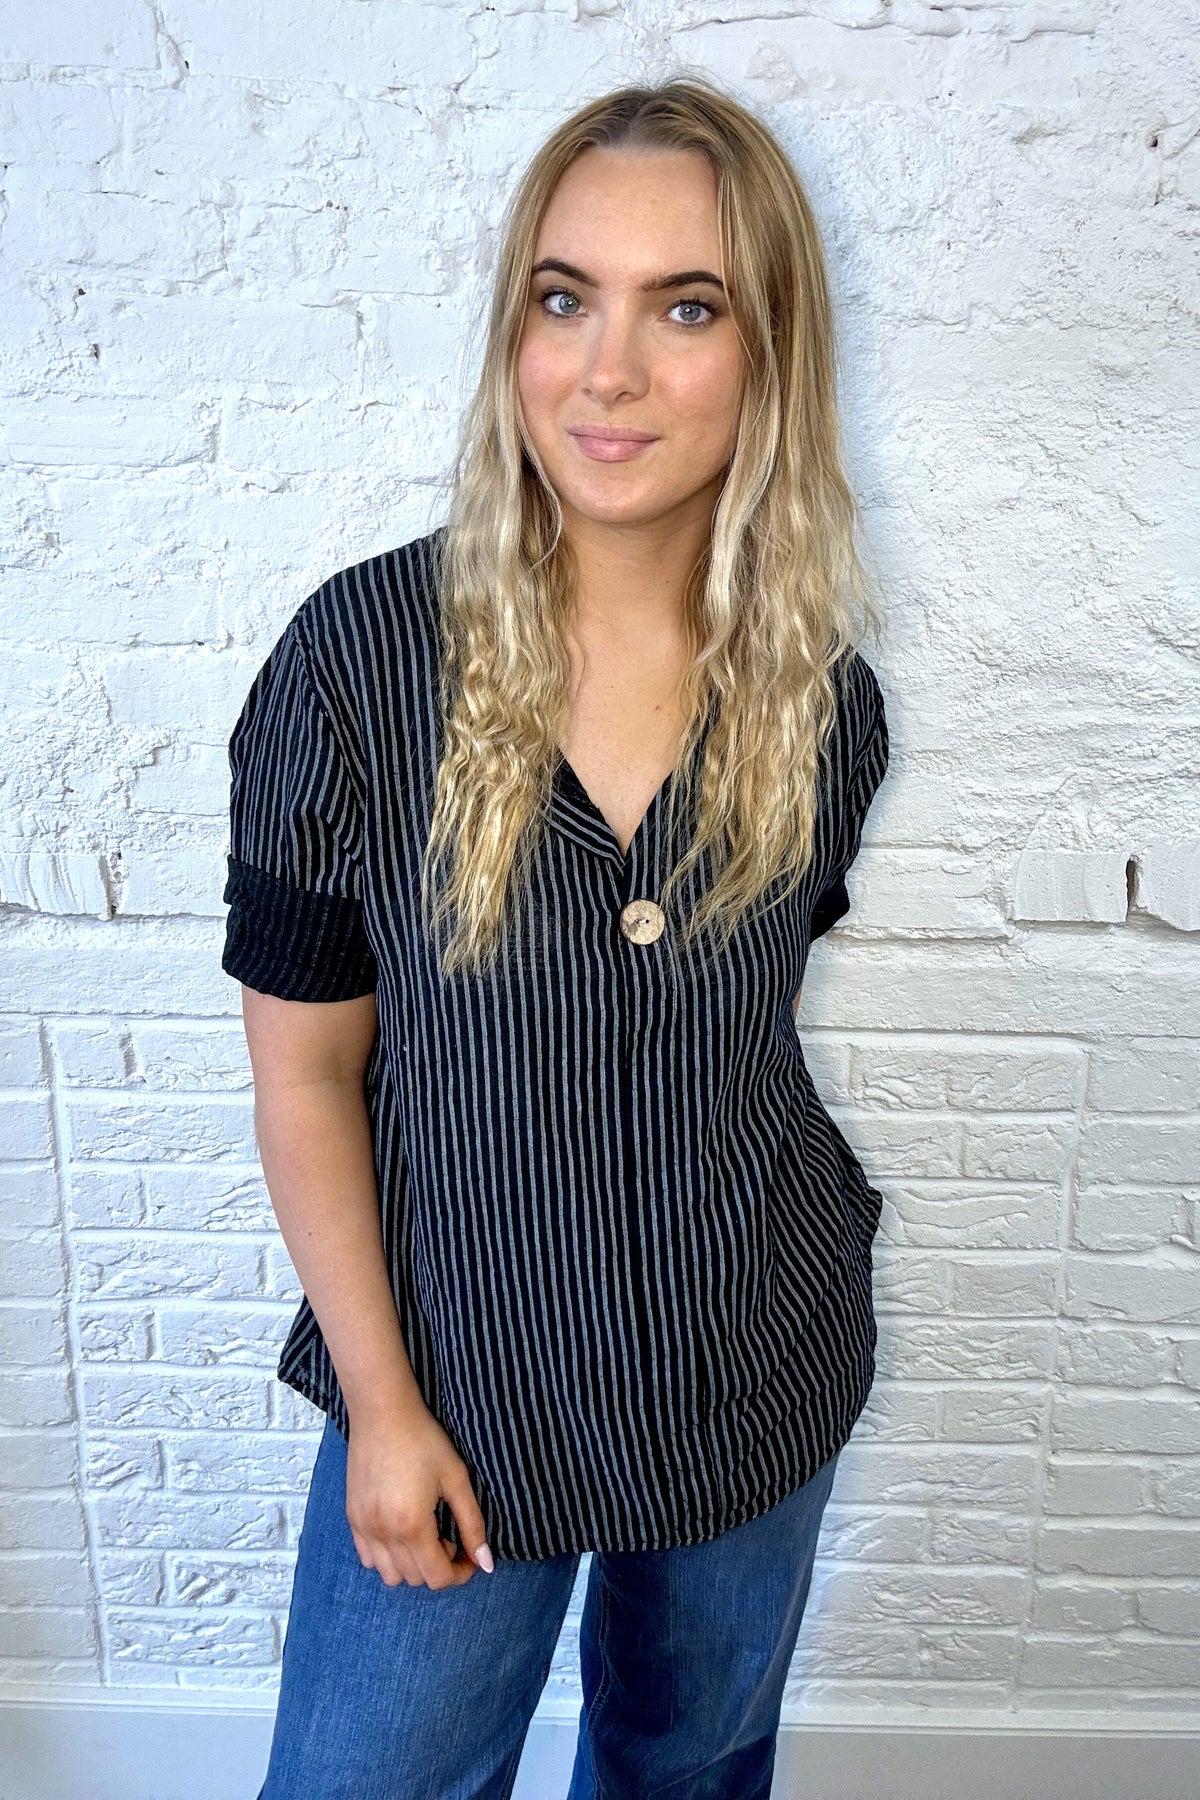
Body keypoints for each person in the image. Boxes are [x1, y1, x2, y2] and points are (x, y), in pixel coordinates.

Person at [223, 72, 890, 1800]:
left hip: (751, 1363)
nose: (608, 371)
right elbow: (307, 1074)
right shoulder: (358, 666)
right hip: (462, 1380)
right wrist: (383, 1410)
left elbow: (732, 1034)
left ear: (773, 353)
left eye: (688, 307)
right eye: (564, 297)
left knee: (690, 1767)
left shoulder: (823, 703)